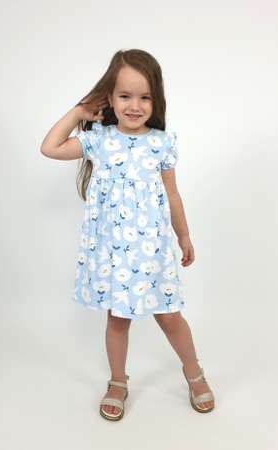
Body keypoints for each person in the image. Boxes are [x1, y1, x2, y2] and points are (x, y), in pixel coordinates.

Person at [40, 49, 215, 421]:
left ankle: (194, 372)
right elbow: (49, 147)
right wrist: (78, 112)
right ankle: (118, 381)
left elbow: (172, 194)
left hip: (152, 251)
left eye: (145, 97)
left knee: (170, 316)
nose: (135, 105)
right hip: (114, 255)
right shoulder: (98, 140)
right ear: (110, 98)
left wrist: (184, 236)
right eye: (125, 96)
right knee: (117, 319)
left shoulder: (161, 142)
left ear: (156, 100)